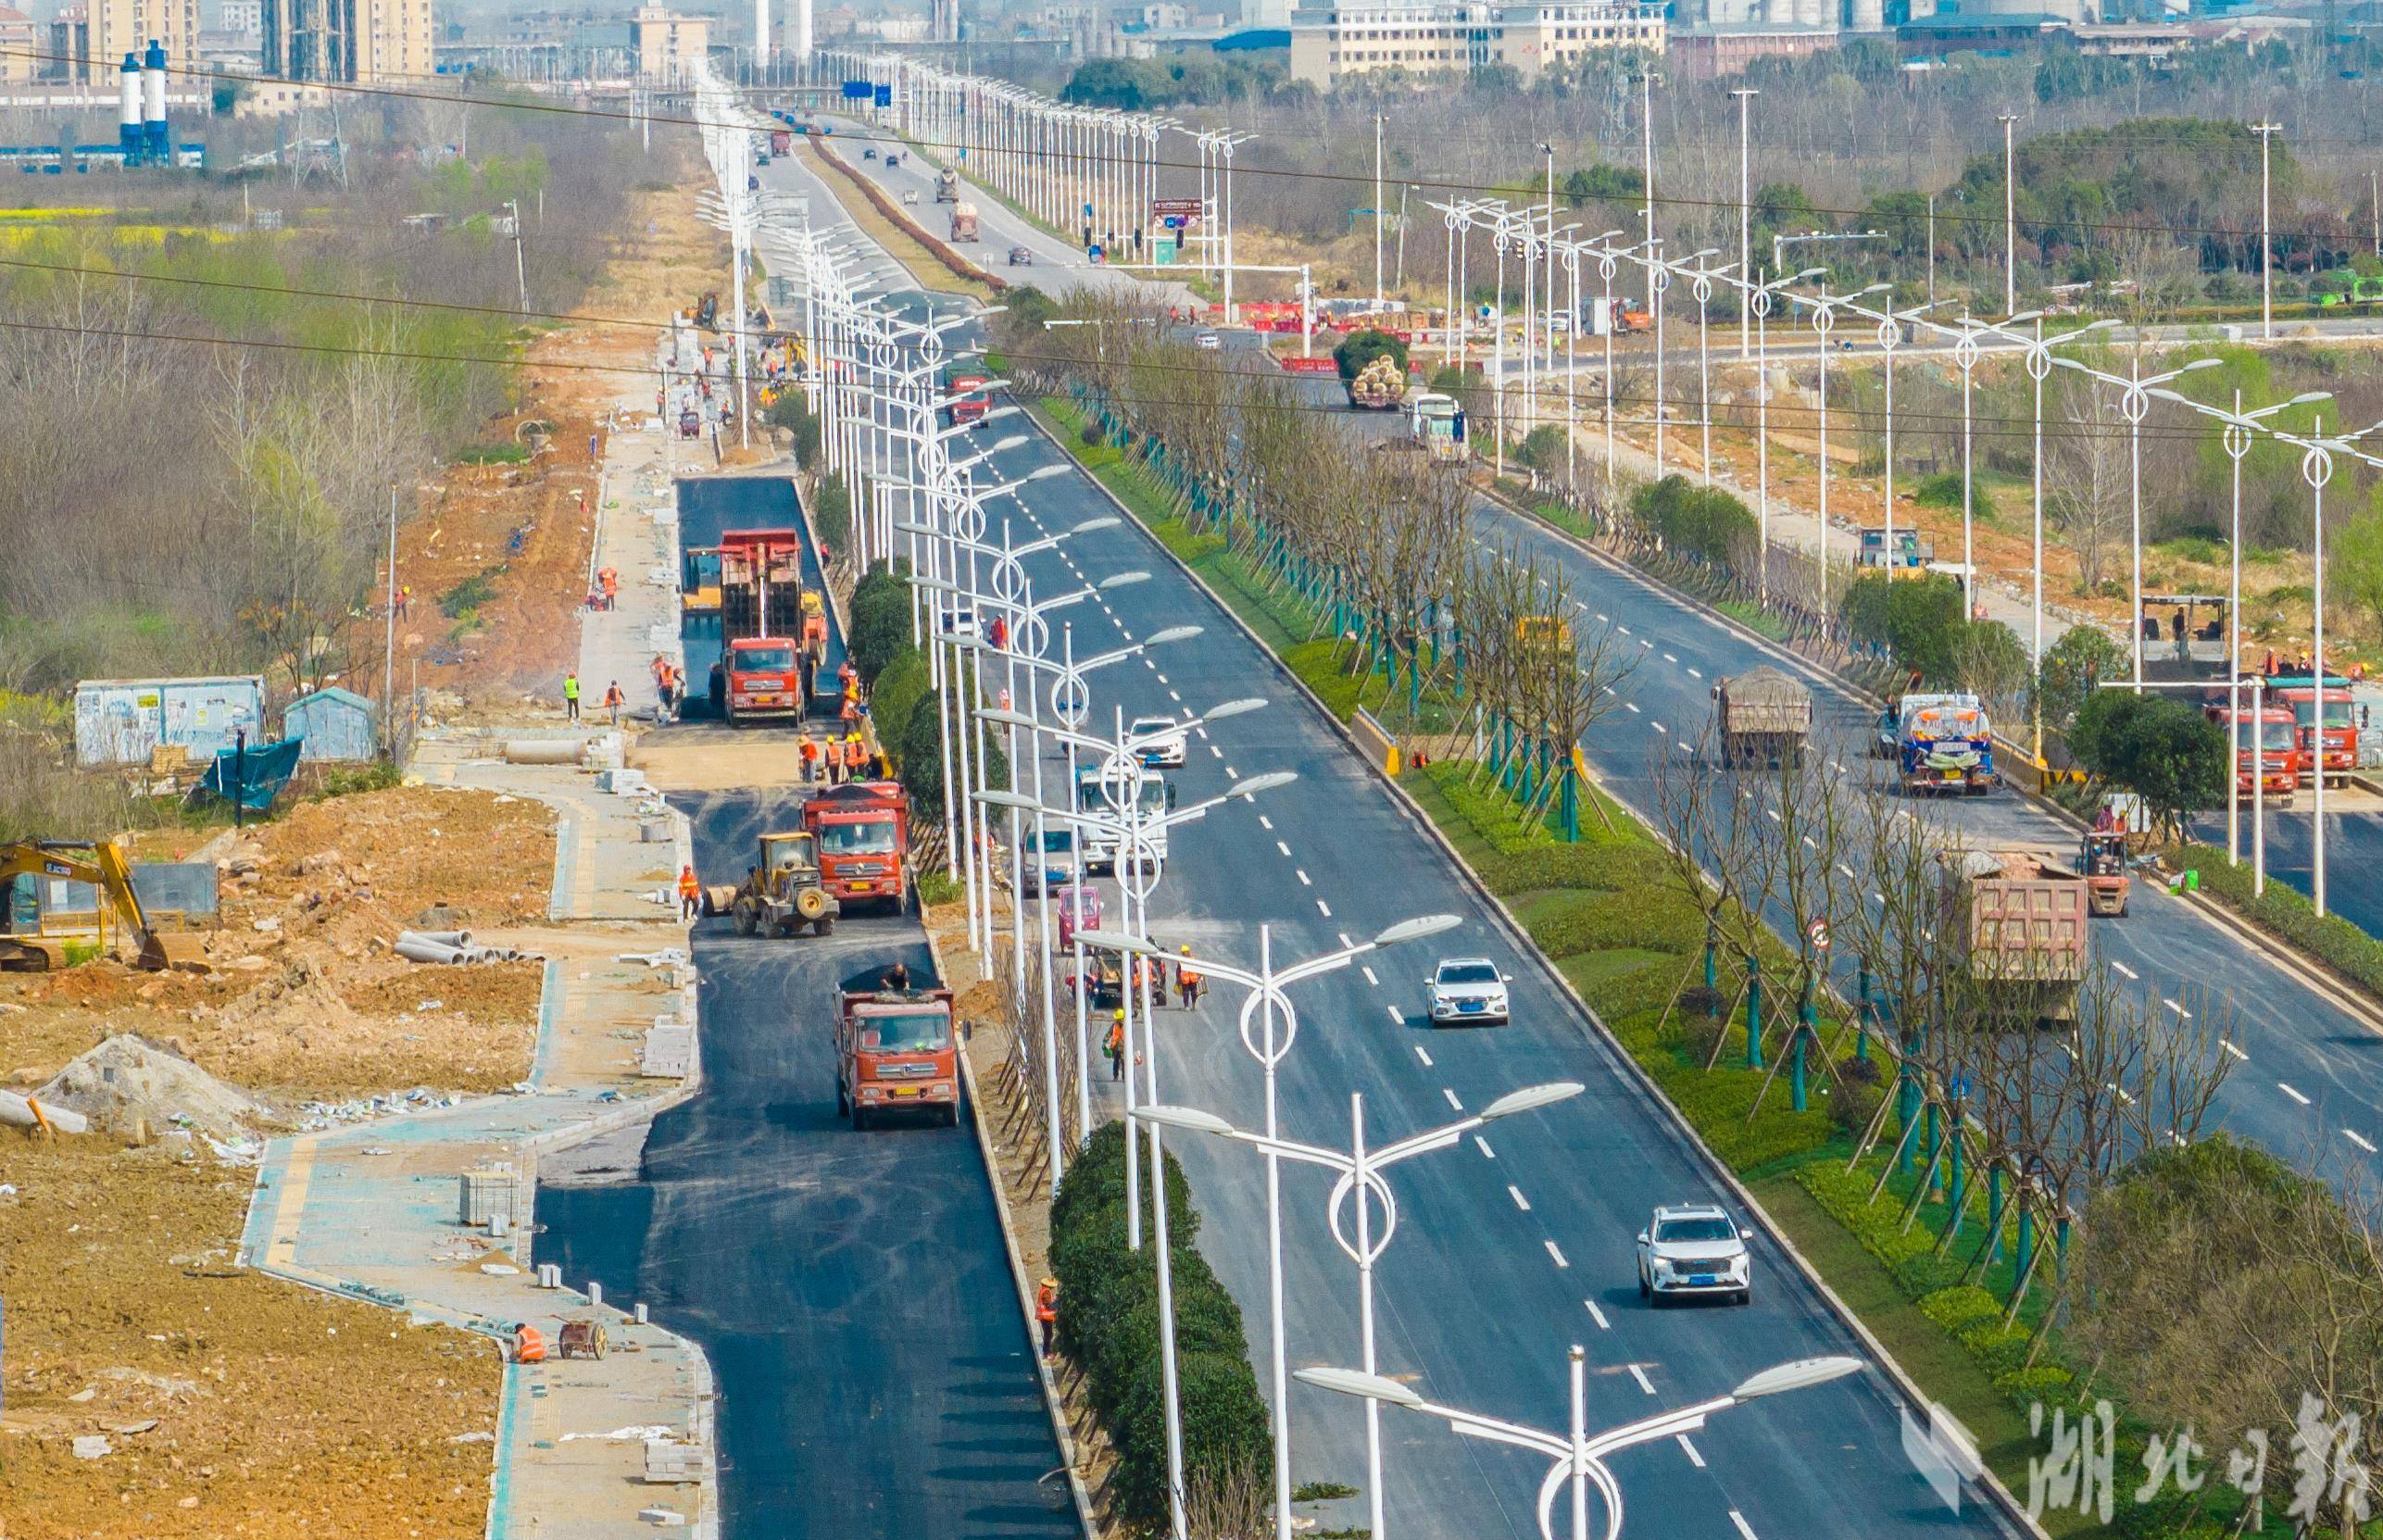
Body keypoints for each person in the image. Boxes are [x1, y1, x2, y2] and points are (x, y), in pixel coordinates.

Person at [1035, 1277, 1059, 1360]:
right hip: (1046, 1318)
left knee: (1048, 1334)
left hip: (1044, 1317)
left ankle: (1046, 1352)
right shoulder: (1046, 1292)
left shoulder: (1044, 1290)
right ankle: (1046, 1353)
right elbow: (1048, 1304)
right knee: (1048, 1335)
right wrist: (1056, 1305)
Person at [1177, 945, 1202, 1009]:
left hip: (1193, 979)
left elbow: (1197, 968)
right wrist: (1178, 979)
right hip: (1184, 980)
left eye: (1185, 952)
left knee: (1194, 993)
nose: (1185, 953)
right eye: (1183, 952)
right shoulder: (1181, 961)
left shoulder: (1193, 959)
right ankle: (1186, 1006)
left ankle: (1194, 1004)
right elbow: (1178, 971)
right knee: (1186, 994)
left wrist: (1199, 975)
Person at [1106, 1010, 1124, 1081]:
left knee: (1124, 1062)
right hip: (1116, 1047)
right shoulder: (1114, 1025)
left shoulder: (1127, 1025)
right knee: (1116, 1061)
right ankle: (1115, 1076)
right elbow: (1109, 1033)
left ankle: (1124, 1077)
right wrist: (1105, 1040)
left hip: (1124, 1047)